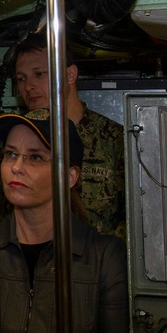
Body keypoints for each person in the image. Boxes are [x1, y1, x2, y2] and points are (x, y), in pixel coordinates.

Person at [0, 108, 129, 333]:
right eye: (10, 154)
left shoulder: (102, 258)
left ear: (69, 177)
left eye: (35, 157)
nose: (16, 167)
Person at [12, 33, 126, 239]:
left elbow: (136, 220)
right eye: (21, 79)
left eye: (39, 74)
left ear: (70, 75)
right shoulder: (15, 141)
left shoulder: (114, 140)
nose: (28, 86)